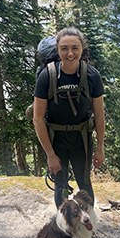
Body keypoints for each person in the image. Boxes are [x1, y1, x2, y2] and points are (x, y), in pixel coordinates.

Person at [33, 27, 105, 209]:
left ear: (82, 49)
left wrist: (100, 148)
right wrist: (50, 155)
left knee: (84, 184)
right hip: (56, 140)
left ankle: (87, 227)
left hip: (82, 139)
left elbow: (99, 115)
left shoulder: (92, 76)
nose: (70, 53)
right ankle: (65, 229)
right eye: (64, 48)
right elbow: (37, 118)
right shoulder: (46, 77)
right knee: (60, 186)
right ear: (58, 50)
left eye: (75, 48)